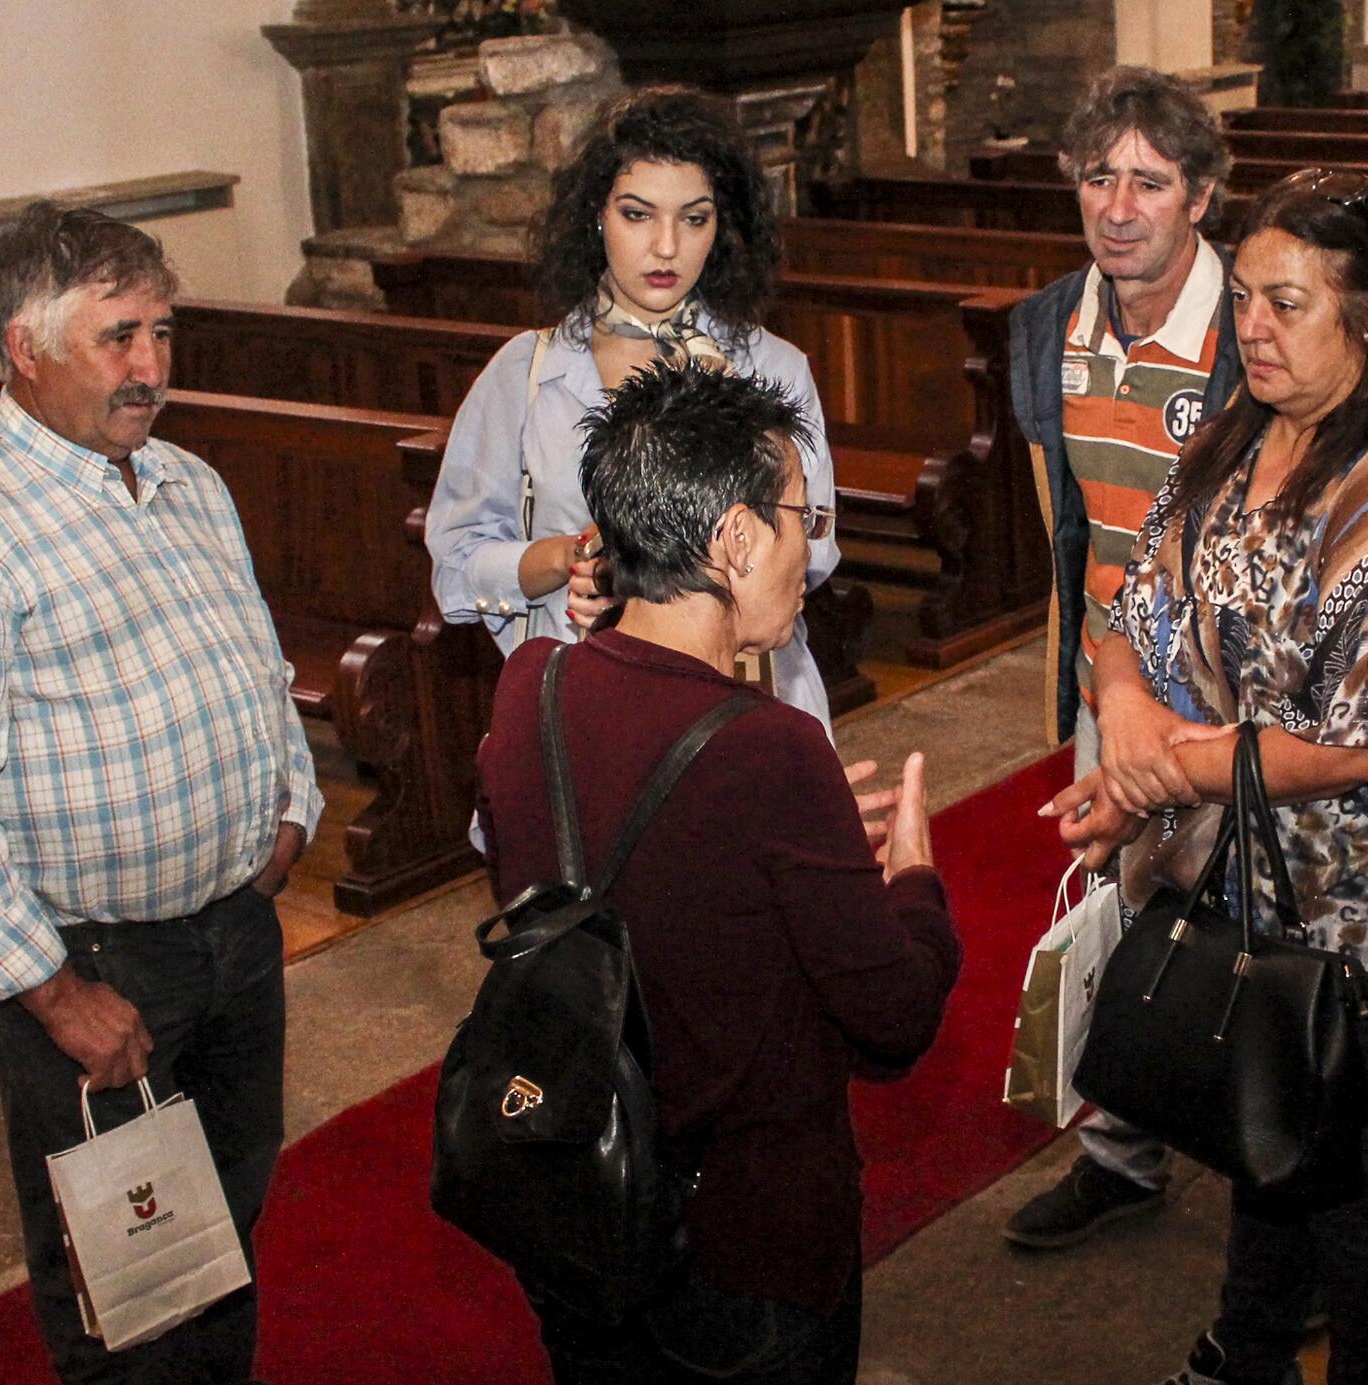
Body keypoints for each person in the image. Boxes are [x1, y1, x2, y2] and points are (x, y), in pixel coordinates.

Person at [0, 203, 318, 1383]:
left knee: (229, 1237)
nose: (150, 367)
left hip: (234, 932)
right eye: (118, 337)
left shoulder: (189, 483)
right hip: (102, 969)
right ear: (26, 345)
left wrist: (287, 808)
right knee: (127, 1274)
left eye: (161, 332)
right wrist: (55, 994)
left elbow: (257, 665)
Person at [1048, 168, 1368, 1385]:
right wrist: (1126, 707)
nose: (1252, 326)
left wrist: (1157, 774)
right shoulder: (1236, 435)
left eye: (1287, 303)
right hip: (1225, 855)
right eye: (1242, 297)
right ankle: (1245, 1347)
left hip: (1346, 896)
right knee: (1260, 1135)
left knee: (1349, 1184)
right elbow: (1131, 600)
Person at [473, 363, 961, 1383]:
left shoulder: (532, 684)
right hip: (742, 1251)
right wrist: (909, 874)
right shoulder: (769, 750)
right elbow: (894, 1016)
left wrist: (803, 846)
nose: (811, 547)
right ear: (734, 540)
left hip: (581, 1206)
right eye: (800, 516)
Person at [1003, 62, 1247, 1251]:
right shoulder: (1049, 324)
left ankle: (1277, 1190)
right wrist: (1105, 679)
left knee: (1255, 925)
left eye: (1149, 181)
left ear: (1200, 195)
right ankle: (1122, 1149)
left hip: (1238, 689)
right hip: (1111, 675)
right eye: (1098, 177)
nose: (1118, 205)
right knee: (1120, 902)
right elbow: (1070, 520)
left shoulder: (1255, 325)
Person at [424, 85, 840, 722]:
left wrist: (660, 585)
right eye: (638, 214)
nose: (667, 247)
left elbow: (818, 550)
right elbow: (456, 566)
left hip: (750, 701)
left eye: (694, 218)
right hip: (583, 705)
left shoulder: (773, 368)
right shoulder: (525, 374)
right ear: (597, 215)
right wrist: (562, 563)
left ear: (722, 227)